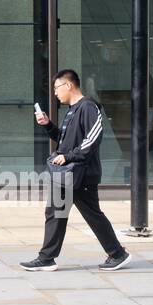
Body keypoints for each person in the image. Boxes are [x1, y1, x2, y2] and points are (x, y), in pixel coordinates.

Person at [21, 69, 132, 272]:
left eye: (56, 88)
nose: (55, 93)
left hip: (82, 175)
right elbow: (64, 142)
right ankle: (46, 258)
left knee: (93, 215)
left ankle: (118, 253)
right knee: (55, 212)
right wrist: (48, 126)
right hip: (68, 173)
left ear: (69, 86)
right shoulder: (72, 110)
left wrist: (69, 156)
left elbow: (93, 138)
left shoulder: (88, 107)